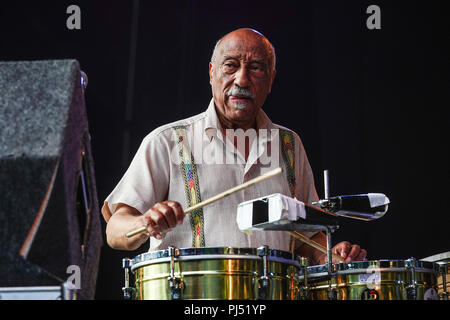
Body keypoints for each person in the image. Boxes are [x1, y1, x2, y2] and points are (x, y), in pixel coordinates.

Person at [102, 28, 367, 265]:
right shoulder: (167, 141)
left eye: (256, 68)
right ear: (211, 73)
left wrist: (327, 254)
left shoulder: (289, 145)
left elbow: (306, 236)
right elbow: (115, 231)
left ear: (271, 80)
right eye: (231, 65)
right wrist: (143, 223)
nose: (242, 79)